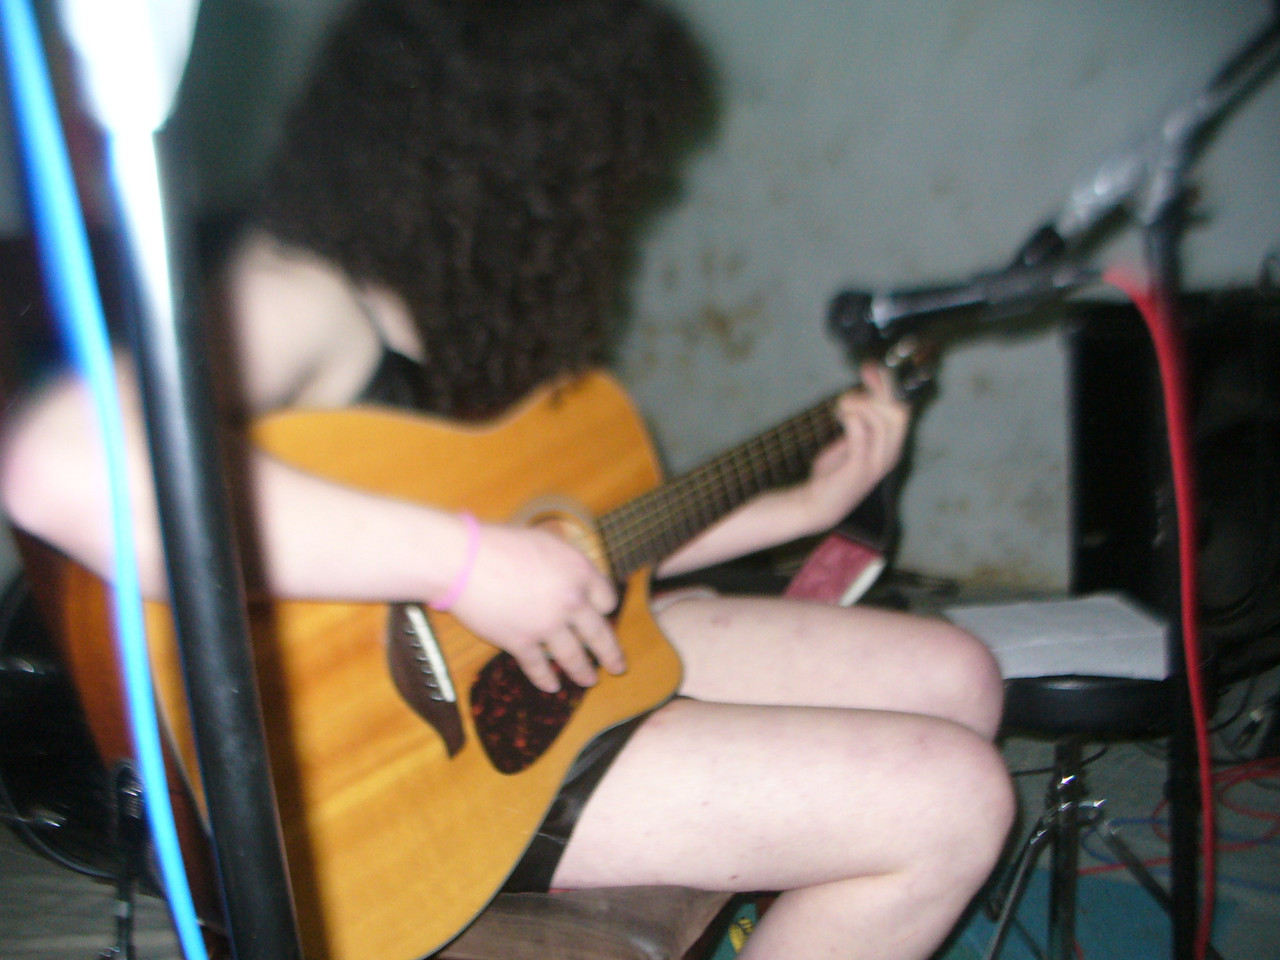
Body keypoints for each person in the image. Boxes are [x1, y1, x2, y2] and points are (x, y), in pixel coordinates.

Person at [0, 1, 1015, 957]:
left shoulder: (479, 318)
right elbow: (59, 466)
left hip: (553, 671)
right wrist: (465, 565)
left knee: (957, 676)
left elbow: (581, 547)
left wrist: (800, 508)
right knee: (953, 805)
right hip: (397, 777)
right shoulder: (303, 294)